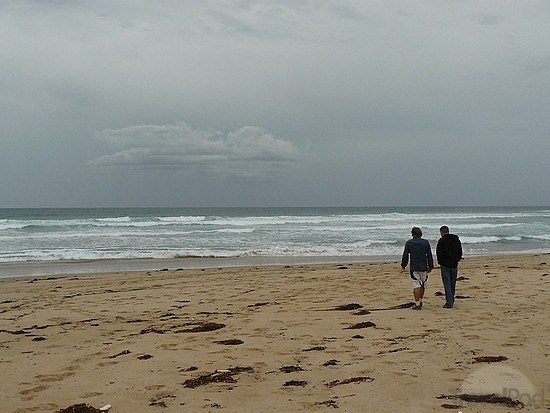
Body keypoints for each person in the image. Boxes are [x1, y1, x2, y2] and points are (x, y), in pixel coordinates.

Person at [401, 227, 434, 310]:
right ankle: (420, 300)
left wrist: (403, 264)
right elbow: (429, 255)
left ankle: (417, 303)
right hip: (424, 267)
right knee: (423, 284)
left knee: (416, 285)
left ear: (412, 234)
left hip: (414, 267)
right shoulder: (425, 243)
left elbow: (405, 255)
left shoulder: (409, 243)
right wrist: (431, 266)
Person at [436, 225, 463, 308]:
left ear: (441, 232)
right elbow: (460, 252)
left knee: (447, 284)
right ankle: (451, 299)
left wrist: (440, 262)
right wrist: (456, 260)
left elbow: (439, 253)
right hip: (454, 264)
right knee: (452, 283)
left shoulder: (442, 241)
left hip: (445, 265)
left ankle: (449, 302)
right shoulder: (456, 240)